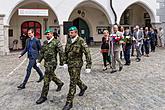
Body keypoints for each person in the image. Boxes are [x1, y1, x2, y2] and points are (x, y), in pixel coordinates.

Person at [62, 26, 92, 110]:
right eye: (69, 32)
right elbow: (65, 52)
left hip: (77, 64)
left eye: (71, 32)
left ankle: (69, 102)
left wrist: (88, 66)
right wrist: (64, 62)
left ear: (76, 32)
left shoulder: (81, 41)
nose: (70, 34)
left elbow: (87, 53)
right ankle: (83, 87)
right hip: (70, 64)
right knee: (75, 79)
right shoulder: (68, 40)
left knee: (72, 82)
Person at [36, 28, 64, 104]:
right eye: (46, 34)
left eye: (48, 34)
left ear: (52, 34)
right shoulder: (45, 42)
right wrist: (39, 61)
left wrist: (62, 63)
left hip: (52, 63)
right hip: (46, 63)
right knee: (51, 75)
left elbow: (61, 53)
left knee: (46, 79)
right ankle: (59, 83)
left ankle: (43, 96)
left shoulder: (56, 42)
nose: (47, 36)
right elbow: (42, 52)